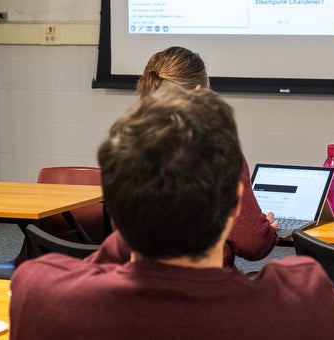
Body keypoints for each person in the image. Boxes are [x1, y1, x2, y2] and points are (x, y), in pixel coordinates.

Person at [9, 86, 334, 340]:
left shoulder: (42, 298)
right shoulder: (304, 302)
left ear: (114, 200)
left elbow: (94, 265)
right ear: (235, 205)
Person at [94, 46, 278, 267]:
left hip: (136, 285)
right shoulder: (219, 151)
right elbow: (253, 243)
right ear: (200, 93)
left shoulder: (124, 147)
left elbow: (122, 232)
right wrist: (266, 233)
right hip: (208, 290)